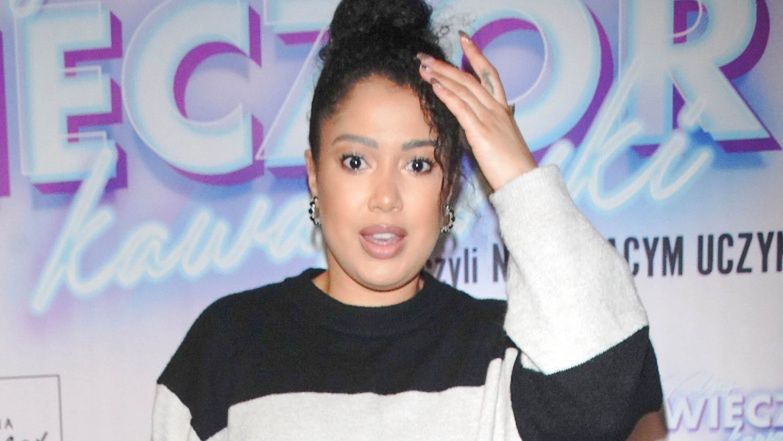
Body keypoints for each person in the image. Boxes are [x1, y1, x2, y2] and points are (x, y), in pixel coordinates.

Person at [152, 0, 663, 440]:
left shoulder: (502, 356)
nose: (386, 198)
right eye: (356, 161)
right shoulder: (228, 346)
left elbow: (609, 389)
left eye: (418, 165)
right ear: (314, 173)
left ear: (450, 185)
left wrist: (517, 173)